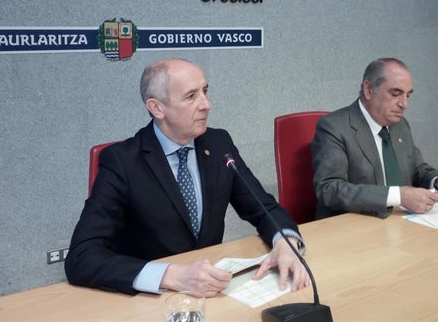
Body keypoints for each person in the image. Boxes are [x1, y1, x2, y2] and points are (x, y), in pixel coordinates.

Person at [65, 58, 309, 297]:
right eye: (191, 96)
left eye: (205, 91)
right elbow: (82, 256)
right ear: (157, 108)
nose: (206, 104)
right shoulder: (122, 161)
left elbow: (264, 209)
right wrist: (171, 275)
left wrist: (286, 241)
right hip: (151, 300)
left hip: (210, 291)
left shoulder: (219, 144)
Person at [311, 57, 438, 219]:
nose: (404, 104)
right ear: (369, 89)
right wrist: (398, 196)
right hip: (353, 224)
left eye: (408, 96)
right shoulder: (334, 127)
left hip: (401, 221)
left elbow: (416, 170)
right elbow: (329, 189)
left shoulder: (400, 125)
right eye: (395, 94)